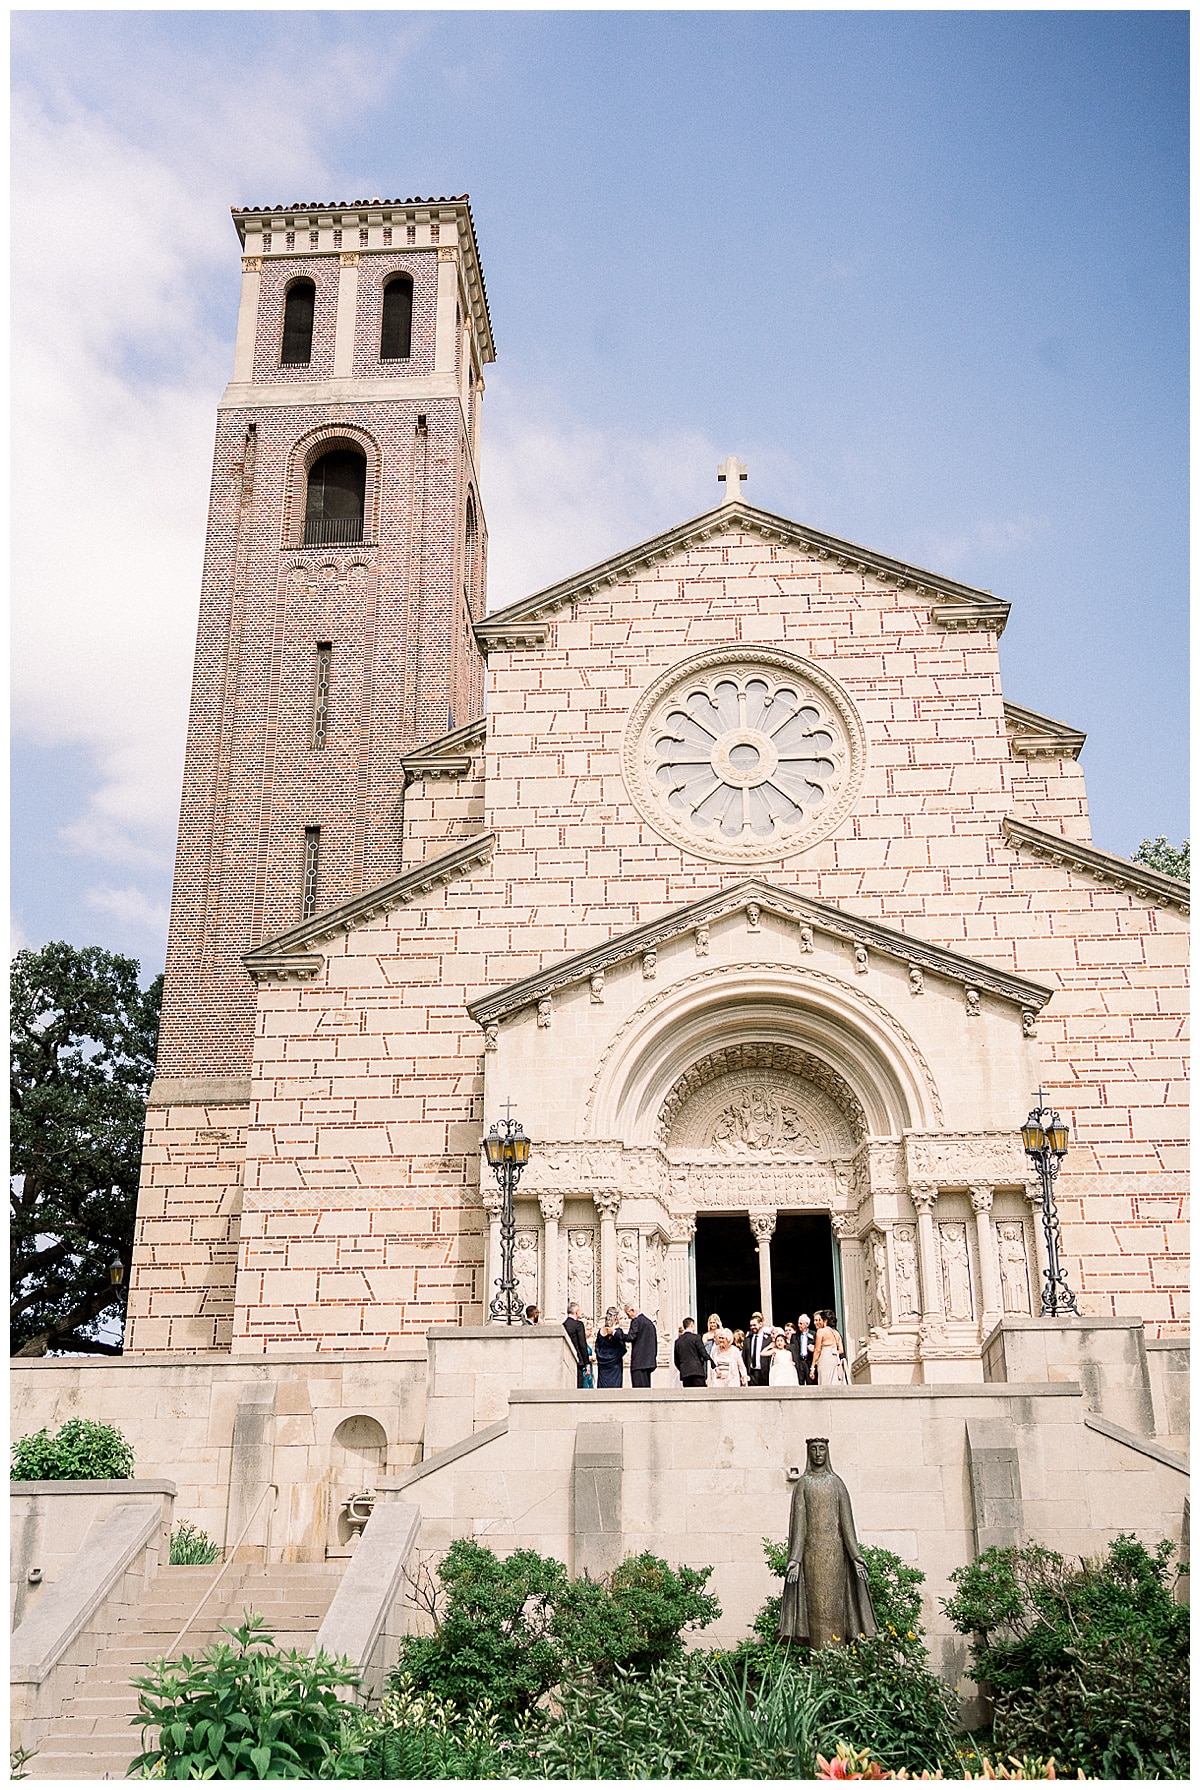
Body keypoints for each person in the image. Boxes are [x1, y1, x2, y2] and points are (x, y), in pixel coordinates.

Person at [779, 1437, 877, 1649]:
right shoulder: (803, 1485)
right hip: (812, 1558)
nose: (817, 1454)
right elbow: (799, 1525)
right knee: (815, 1607)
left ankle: (837, 1658)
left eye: (821, 1449)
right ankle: (818, 1658)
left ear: (827, 1452)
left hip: (835, 1558)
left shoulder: (836, 1484)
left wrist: (856, 1556)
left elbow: (847, 1524)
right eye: (813, 1450)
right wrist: (795, 1559)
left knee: (834, 1607)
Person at [623, 1302, 658, 1388]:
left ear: (633, 1311)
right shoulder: (649, 1323)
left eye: (628, 1314)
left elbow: (631, 1337)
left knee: (638, 1391)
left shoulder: (636, 1321)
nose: (628, 1317)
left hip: (638, 1362)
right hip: (648, 1362)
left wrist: (617, 1333)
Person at [594, 1306, 627, 1388]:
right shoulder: (617, 1332)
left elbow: (597, 1347)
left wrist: (601, 1357)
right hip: (615, 1365)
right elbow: (623, 1348)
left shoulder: (601, 1331)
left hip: (603, 1364)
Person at [813, 1309, 848, 1386]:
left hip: (825, 1358)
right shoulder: (837, 1333)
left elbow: (817, 1350)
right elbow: (841, 1350)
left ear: (825, 1320)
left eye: (821, 1320)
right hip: (835, 1359)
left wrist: (812, 1367)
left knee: (824, 1381)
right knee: (834, 1382)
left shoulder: (821, 1331)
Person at [673, 1316, 710, 1387]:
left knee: (689, 1395)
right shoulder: (696, 1338)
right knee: (701, 1395)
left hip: (685, 1373)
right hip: (697, 1371)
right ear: (692, 1324)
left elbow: (676, 1360)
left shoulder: (678, 1341)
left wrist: (682, 1368)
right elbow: (703, 1353)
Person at [563, 1302, 590, 1389]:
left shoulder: (563, 1325)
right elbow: (582, 1344)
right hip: (577, 1358)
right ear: (577, 1312)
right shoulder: (578, 1325)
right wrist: (586, 1363)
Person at [744, 1312, 772, 1386]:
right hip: (751, 1372)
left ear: (761, 1324)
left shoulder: (768, 1339)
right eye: (751, 1326)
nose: (752, 1327)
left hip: (765, 1372)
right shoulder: (747, 1340)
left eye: (754, 1325)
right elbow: (744, 1357)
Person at [791, 1313, 814, 1384]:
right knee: (799, 1381)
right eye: (798, 1323)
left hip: (809, 1361)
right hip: (799, 1361)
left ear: (807, 1324)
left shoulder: (813, 1334)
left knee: (810, 1382)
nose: (798, 1325)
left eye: (801, 1323)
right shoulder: (795, 1336)